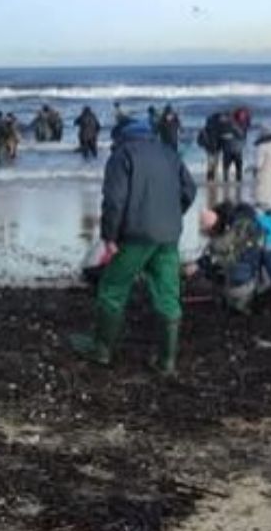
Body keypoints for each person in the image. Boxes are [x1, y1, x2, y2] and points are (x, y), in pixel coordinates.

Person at [69, 119, 197, 373]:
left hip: (134, 236)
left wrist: (110, 237)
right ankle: (167, 361)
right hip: (168, 236)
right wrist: (171, 215)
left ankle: (102, 349)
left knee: (112, 288)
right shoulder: (168, 153)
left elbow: (114, 201)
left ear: (121, 137)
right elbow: (190, 190)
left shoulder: (122, 155)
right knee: (167, 294)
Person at [194, 202, 271, 314]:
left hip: (221, 290)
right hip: (240, 291)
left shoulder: (240, 219)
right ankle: (247, 303)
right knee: (270, 274)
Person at [253, 123, 271, 208]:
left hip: (264, 172)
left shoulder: (261, 147)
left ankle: (262, 204)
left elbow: (258, 163)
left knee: (262, 190)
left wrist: (255, 171)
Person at [219, 112, 246, 183]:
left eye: (223, 117)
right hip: (234, 149)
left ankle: (228, 181)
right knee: (236, 167)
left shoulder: (230, 125)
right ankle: (237, 181)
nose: (221, 119)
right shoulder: (235, 125)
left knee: (227, 167)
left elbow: (241, 135)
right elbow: (242, 136)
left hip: (231, 149)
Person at [197, 112, 224, 182]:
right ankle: (213, 178)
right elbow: (221, 138)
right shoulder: (219, 128)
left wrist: (203, 145)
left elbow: (200, 139)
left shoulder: (206, 128)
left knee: (210, 163)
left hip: (209, 147)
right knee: (214, 163)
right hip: (216, 147)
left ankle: (210, 178)